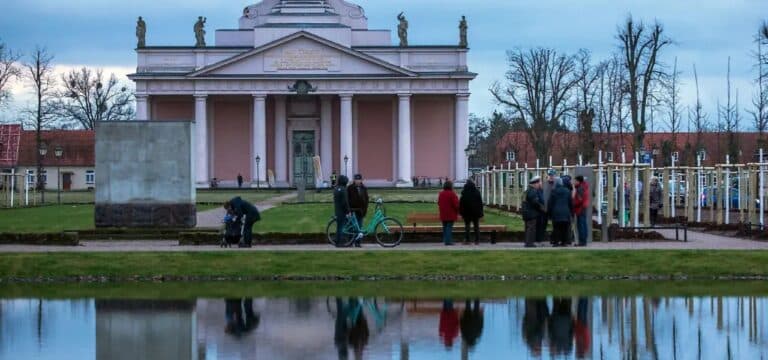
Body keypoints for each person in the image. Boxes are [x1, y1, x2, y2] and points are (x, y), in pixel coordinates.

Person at [547, 178, 573, 247]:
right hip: (566, 212)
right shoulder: (567, 191)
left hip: (556, 212)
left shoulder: (554, 191)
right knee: (564, 228)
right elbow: (570, 203)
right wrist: (571, 212)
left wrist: (549, 213)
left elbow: (550, 203)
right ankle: (564, 242)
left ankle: (556, 242)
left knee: (556, 228)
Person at [522, 176, 545, 248]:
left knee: (528, 228)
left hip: (526, 212)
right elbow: (535, 202)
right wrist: (542, 208)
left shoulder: (526, 191)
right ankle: (529, 243)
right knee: (531, 228)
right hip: (531, 213)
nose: (539, 185)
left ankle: (527, 242)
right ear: (535, 183)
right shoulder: (533, 191)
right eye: (538, 183)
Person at [459, 179, 484, 245]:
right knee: (476, 226)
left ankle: (468, 240)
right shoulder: (477, 191)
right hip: (475, 212)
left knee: (467, 226)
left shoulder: (464, 192)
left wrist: (461, 212)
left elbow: (461, 203)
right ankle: (477, 240)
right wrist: (481, 212)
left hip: (466, 212)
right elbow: (480, 203)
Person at [438, 180, 460, 246]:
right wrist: (458, 211)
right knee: (449, 228)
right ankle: (448, 241)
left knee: (445, 227)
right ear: (451, 186)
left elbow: (439, 203)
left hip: (443, 213)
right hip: (451, 213)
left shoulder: (441, 194)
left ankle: (445, 240)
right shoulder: (452, 194)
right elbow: (456, 205)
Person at [540, 169, 558, 244]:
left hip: (554, 208)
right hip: (545, 208)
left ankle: (554, 239)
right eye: (550, 175)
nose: (551, 177)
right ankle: (540, 239)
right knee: (543, 224)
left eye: (552, 175)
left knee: (555, 225)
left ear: (555, 175)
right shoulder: (544, 184)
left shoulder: (557, 184)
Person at [334, 175, 352, 247]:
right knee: (342, 227)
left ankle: (337, 241)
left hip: (337, 210)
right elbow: (345, 202)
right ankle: (340, 242)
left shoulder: (336, 189)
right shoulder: (344, 189)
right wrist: (348, 211)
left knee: (338, 227)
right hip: (342, 211)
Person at [572, 175, 591, 247]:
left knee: (581, 225)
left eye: (575, 181)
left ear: (578, 181)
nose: (573, 182)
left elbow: (579, 200)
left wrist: (573, 201)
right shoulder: (584, 186)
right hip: (583, 208)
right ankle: (584, 241)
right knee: (583, 224)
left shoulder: (580, 188)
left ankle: (582, 242)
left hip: (580, 208)